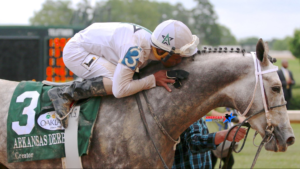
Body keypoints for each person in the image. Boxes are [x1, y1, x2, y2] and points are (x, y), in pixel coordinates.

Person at [48, 20, 199, 128]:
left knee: (127, 78)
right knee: (116, 82)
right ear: (161, 52)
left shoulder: (155, 44)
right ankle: (65, 93)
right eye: (178, 56)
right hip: (78, 52)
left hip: (96, 44)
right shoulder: (135, 50)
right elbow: (119, 91)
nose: (180, 60)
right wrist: (153, 79)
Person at [172, 117, 246, 169]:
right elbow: (212, 116)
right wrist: (234, 118)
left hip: (212, 141)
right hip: (211, 139)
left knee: (228, 162)